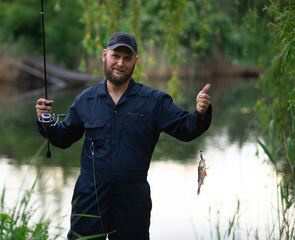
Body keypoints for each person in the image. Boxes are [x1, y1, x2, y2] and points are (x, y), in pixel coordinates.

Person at [35, 32, 212, 240]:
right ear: (104, 56)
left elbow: (187, 128)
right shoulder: (86, 99)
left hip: (133, 200)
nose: (120, 63)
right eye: (115, 56)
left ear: (135, 61)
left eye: (127, 58)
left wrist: (201, 113)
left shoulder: (154, 101)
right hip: (90, 198)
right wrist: (44, 121)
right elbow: (62, 138)